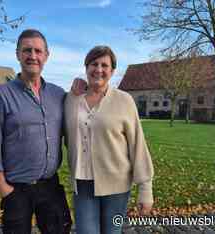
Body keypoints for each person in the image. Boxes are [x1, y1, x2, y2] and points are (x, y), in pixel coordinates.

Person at [0, 29, 73, 234]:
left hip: (50, 186)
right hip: (16, 189)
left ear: (46, 56)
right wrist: (5, 190)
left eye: (38, 51)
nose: (33, 56)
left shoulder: (58, 94)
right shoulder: (1, 95)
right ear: (18, 54)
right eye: (27, 50)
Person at [64, 46, 154, 234]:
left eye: (104, 65)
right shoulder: (71, 99)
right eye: (94, 64)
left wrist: (145, 188)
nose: (99, 69)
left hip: (117, 186)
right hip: (83, 185)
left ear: (112, 71)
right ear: (86, 67)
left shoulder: (125, 101)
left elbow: (137, 144)